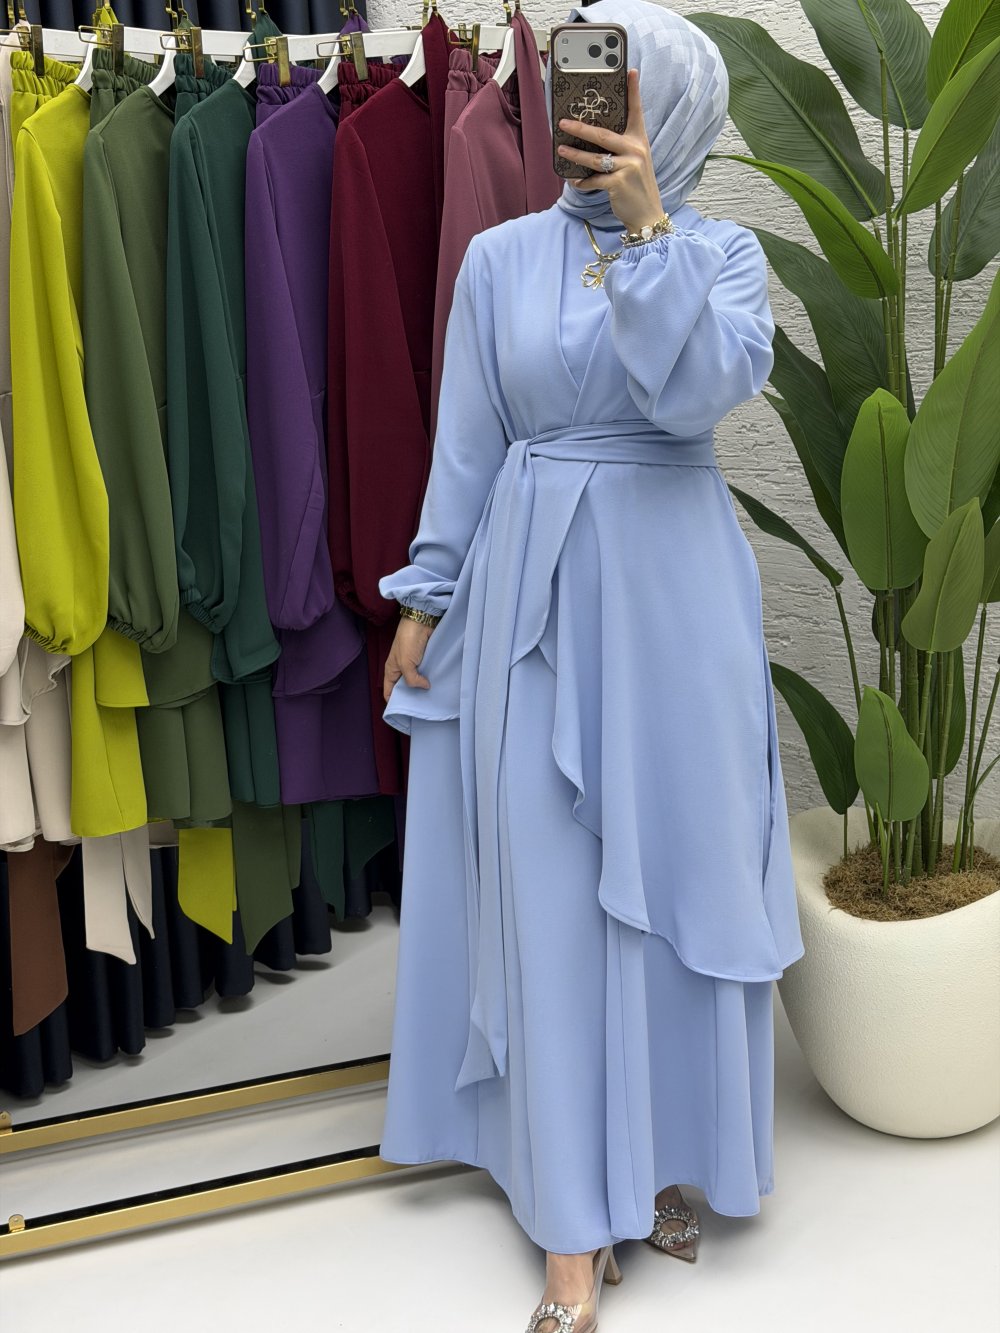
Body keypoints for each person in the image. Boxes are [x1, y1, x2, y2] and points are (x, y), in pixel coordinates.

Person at [377, 2, 806, 1329]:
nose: (588, 110)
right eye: (576, 85)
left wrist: (649, 228)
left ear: (667, 110)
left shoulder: (720, 255)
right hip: (530, 601)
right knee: (554, 893)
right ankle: (574, 1224)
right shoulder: (498, 260)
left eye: (618, 89)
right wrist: (425, 598)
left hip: (676, 606)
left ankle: (661, 1156)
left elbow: (697, 394)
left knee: (671, 877)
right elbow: (468, 440)